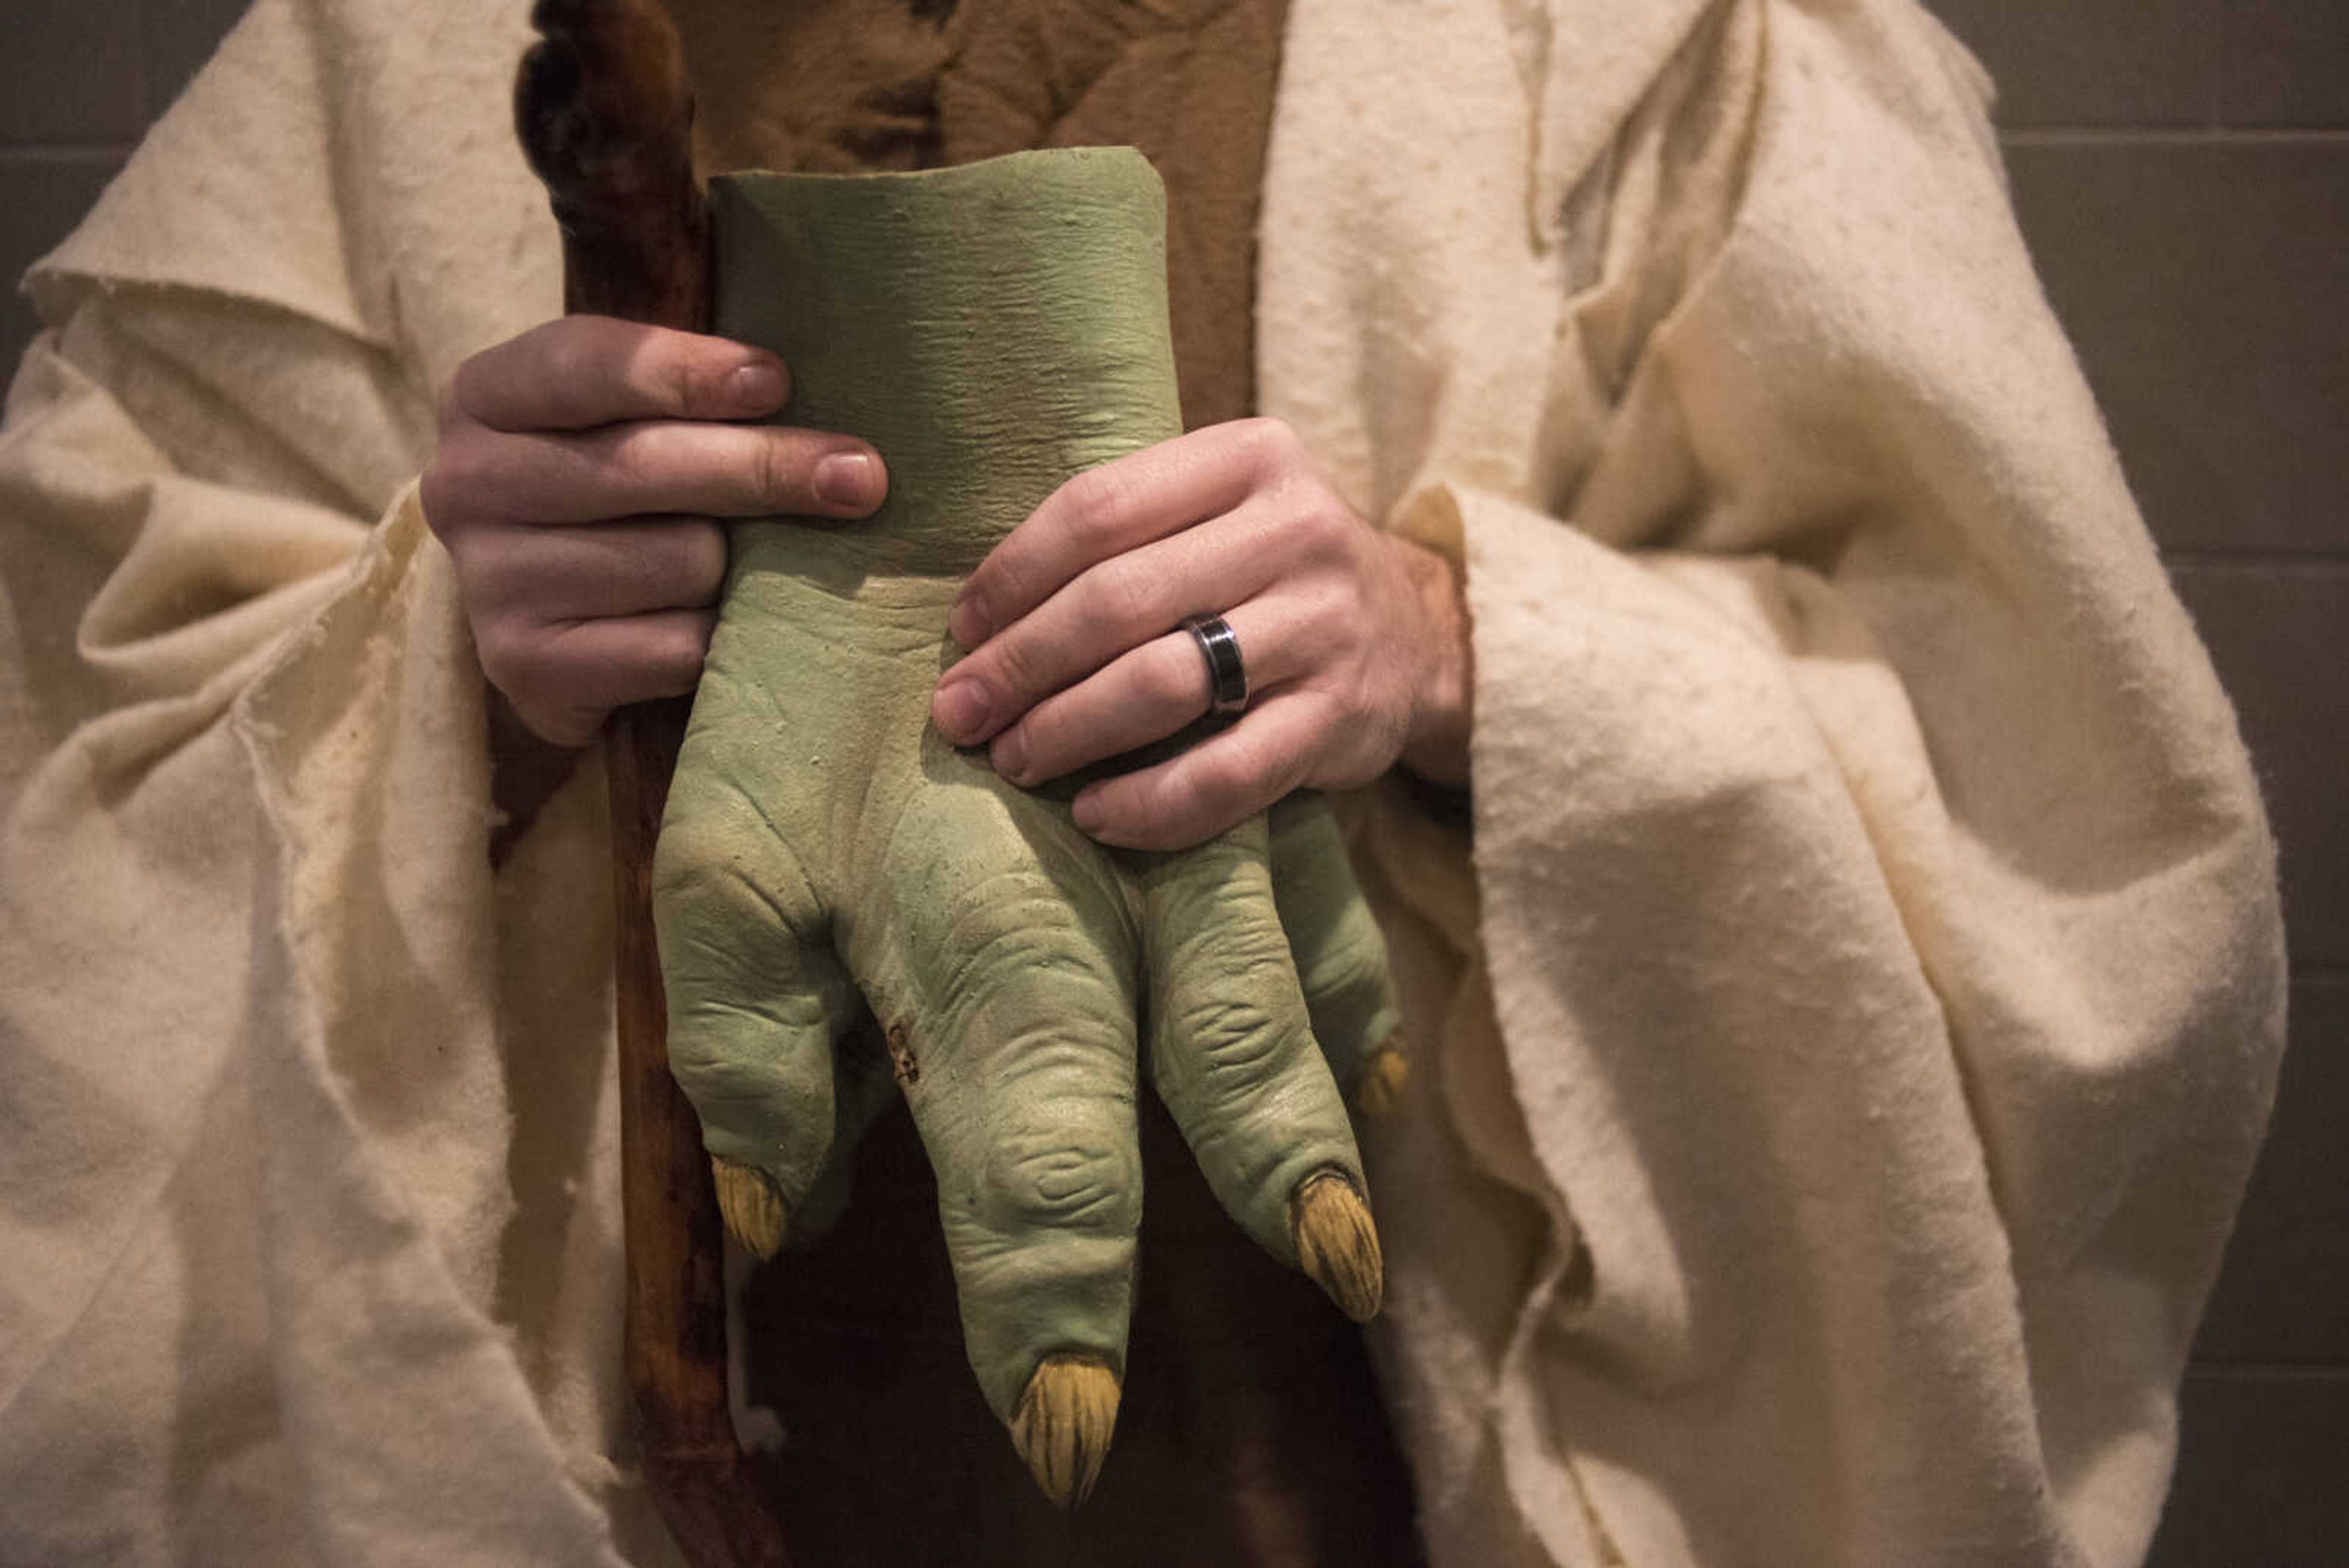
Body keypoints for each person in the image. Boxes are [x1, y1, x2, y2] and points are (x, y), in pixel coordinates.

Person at [0, 0, 2285, 1564]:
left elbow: (2057, 809)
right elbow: (88, 792)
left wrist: (1471, 652)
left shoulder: (1634, 46)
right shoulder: (373, 67)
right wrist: (446, 659)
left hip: (1333, 1482)